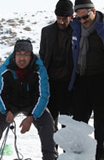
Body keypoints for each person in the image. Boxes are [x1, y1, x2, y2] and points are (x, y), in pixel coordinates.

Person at [0, 40, 58, 160]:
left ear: (31, 56)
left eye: (26, 54)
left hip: (32, 104)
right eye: (19, 54)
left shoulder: (39, 69)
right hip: (10, 104)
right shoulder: (5, 69)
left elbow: (43, 95)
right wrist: (6, 111)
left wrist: (31, 117)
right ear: (14, 55)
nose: (22, 58)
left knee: (48, 124)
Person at [69, 0, 104, 160]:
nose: (83, 21)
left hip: (101, 79)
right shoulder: (75, 26)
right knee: (79, 121)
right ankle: (78, 156)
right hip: (81, 78)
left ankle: (100, 158)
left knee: (101, 122)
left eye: (85, 17)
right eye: (79, 18)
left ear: (94, 11)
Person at [39, 0, 74, 130]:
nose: (61, 21)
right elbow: (43, 57)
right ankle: (52, 150)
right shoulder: (47, 32)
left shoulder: (77, 31)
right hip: (51, 84)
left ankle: (67, 151)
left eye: (64, 18)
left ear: (71, 17)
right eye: (59, 18)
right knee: (50, 123)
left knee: (68, 123)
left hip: (69, 86)